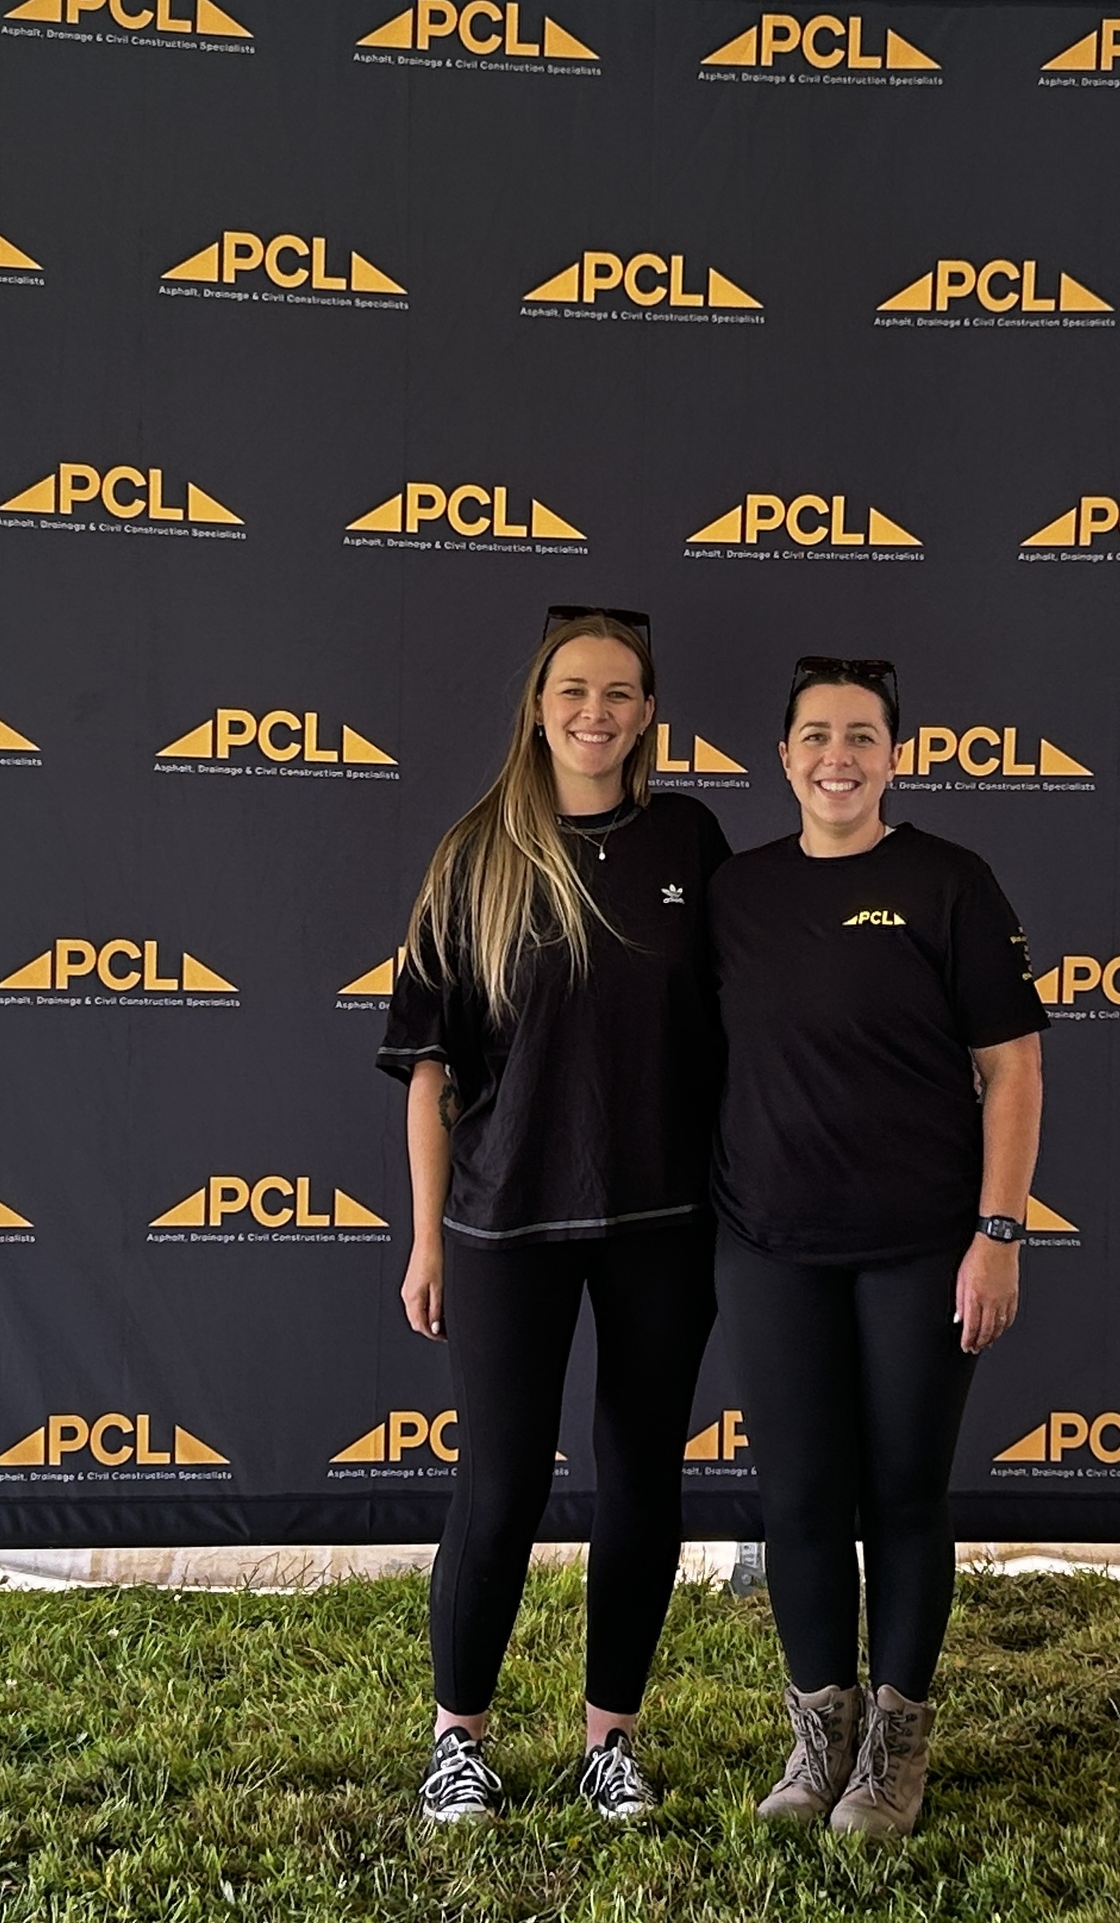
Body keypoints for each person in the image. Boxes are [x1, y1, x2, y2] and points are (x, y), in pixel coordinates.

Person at [379, 607, 730, 1827]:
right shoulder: (473, 854)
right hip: (503, 1223)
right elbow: (428, 1073)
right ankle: (457, 1740)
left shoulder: (691, 835)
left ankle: (610, 1743)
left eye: (621, 693)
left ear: (648, 712)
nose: (597, 712)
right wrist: (426, 1237)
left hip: (662, 1218)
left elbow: (747, 1023)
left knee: (639, 1479)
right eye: (574, 690)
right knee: (505, 1483)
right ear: (538, 703)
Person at [708, 654, 1046, 1840]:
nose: (837, 756)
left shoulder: (950, 882)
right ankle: (821, 1740)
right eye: (815, 735)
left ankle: (896, 1749)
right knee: (798, 1498)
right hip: (768, 1245)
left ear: (895, 754)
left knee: (902, 1493)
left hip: (921, 1246)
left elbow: (1012, 1067)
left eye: (861, 735)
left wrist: (996, 1233)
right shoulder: (735, 893)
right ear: (784, 755)